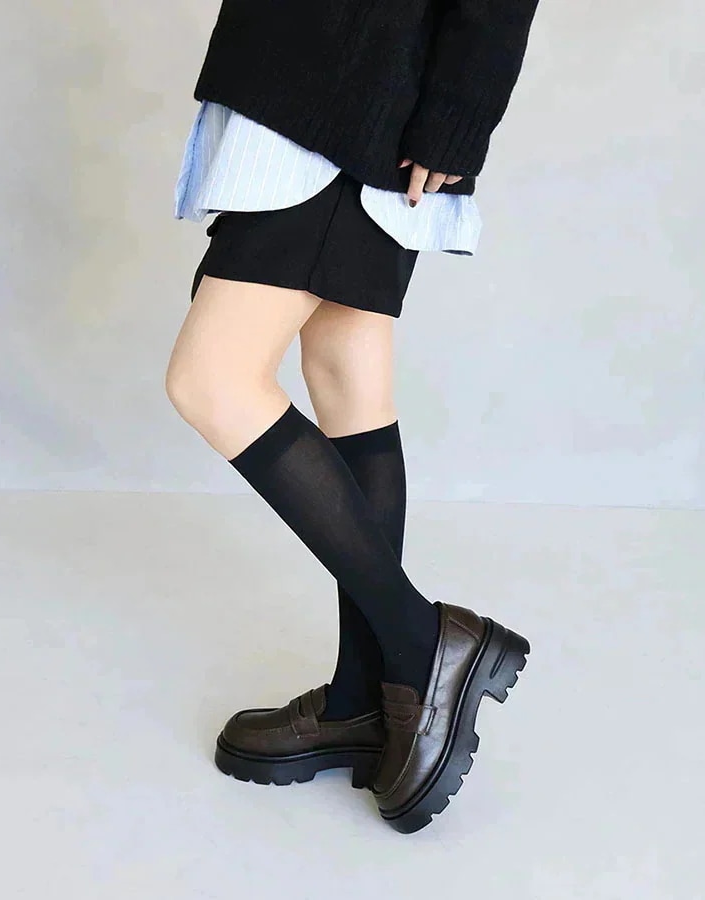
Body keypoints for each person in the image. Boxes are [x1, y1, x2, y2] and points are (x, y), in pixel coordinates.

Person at [166, 0, 542, 833]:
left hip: (347, 105)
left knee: (212, 379)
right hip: (325, 90)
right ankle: (363, 699)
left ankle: (424, 645)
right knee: (345, 374)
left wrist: (458, 116)